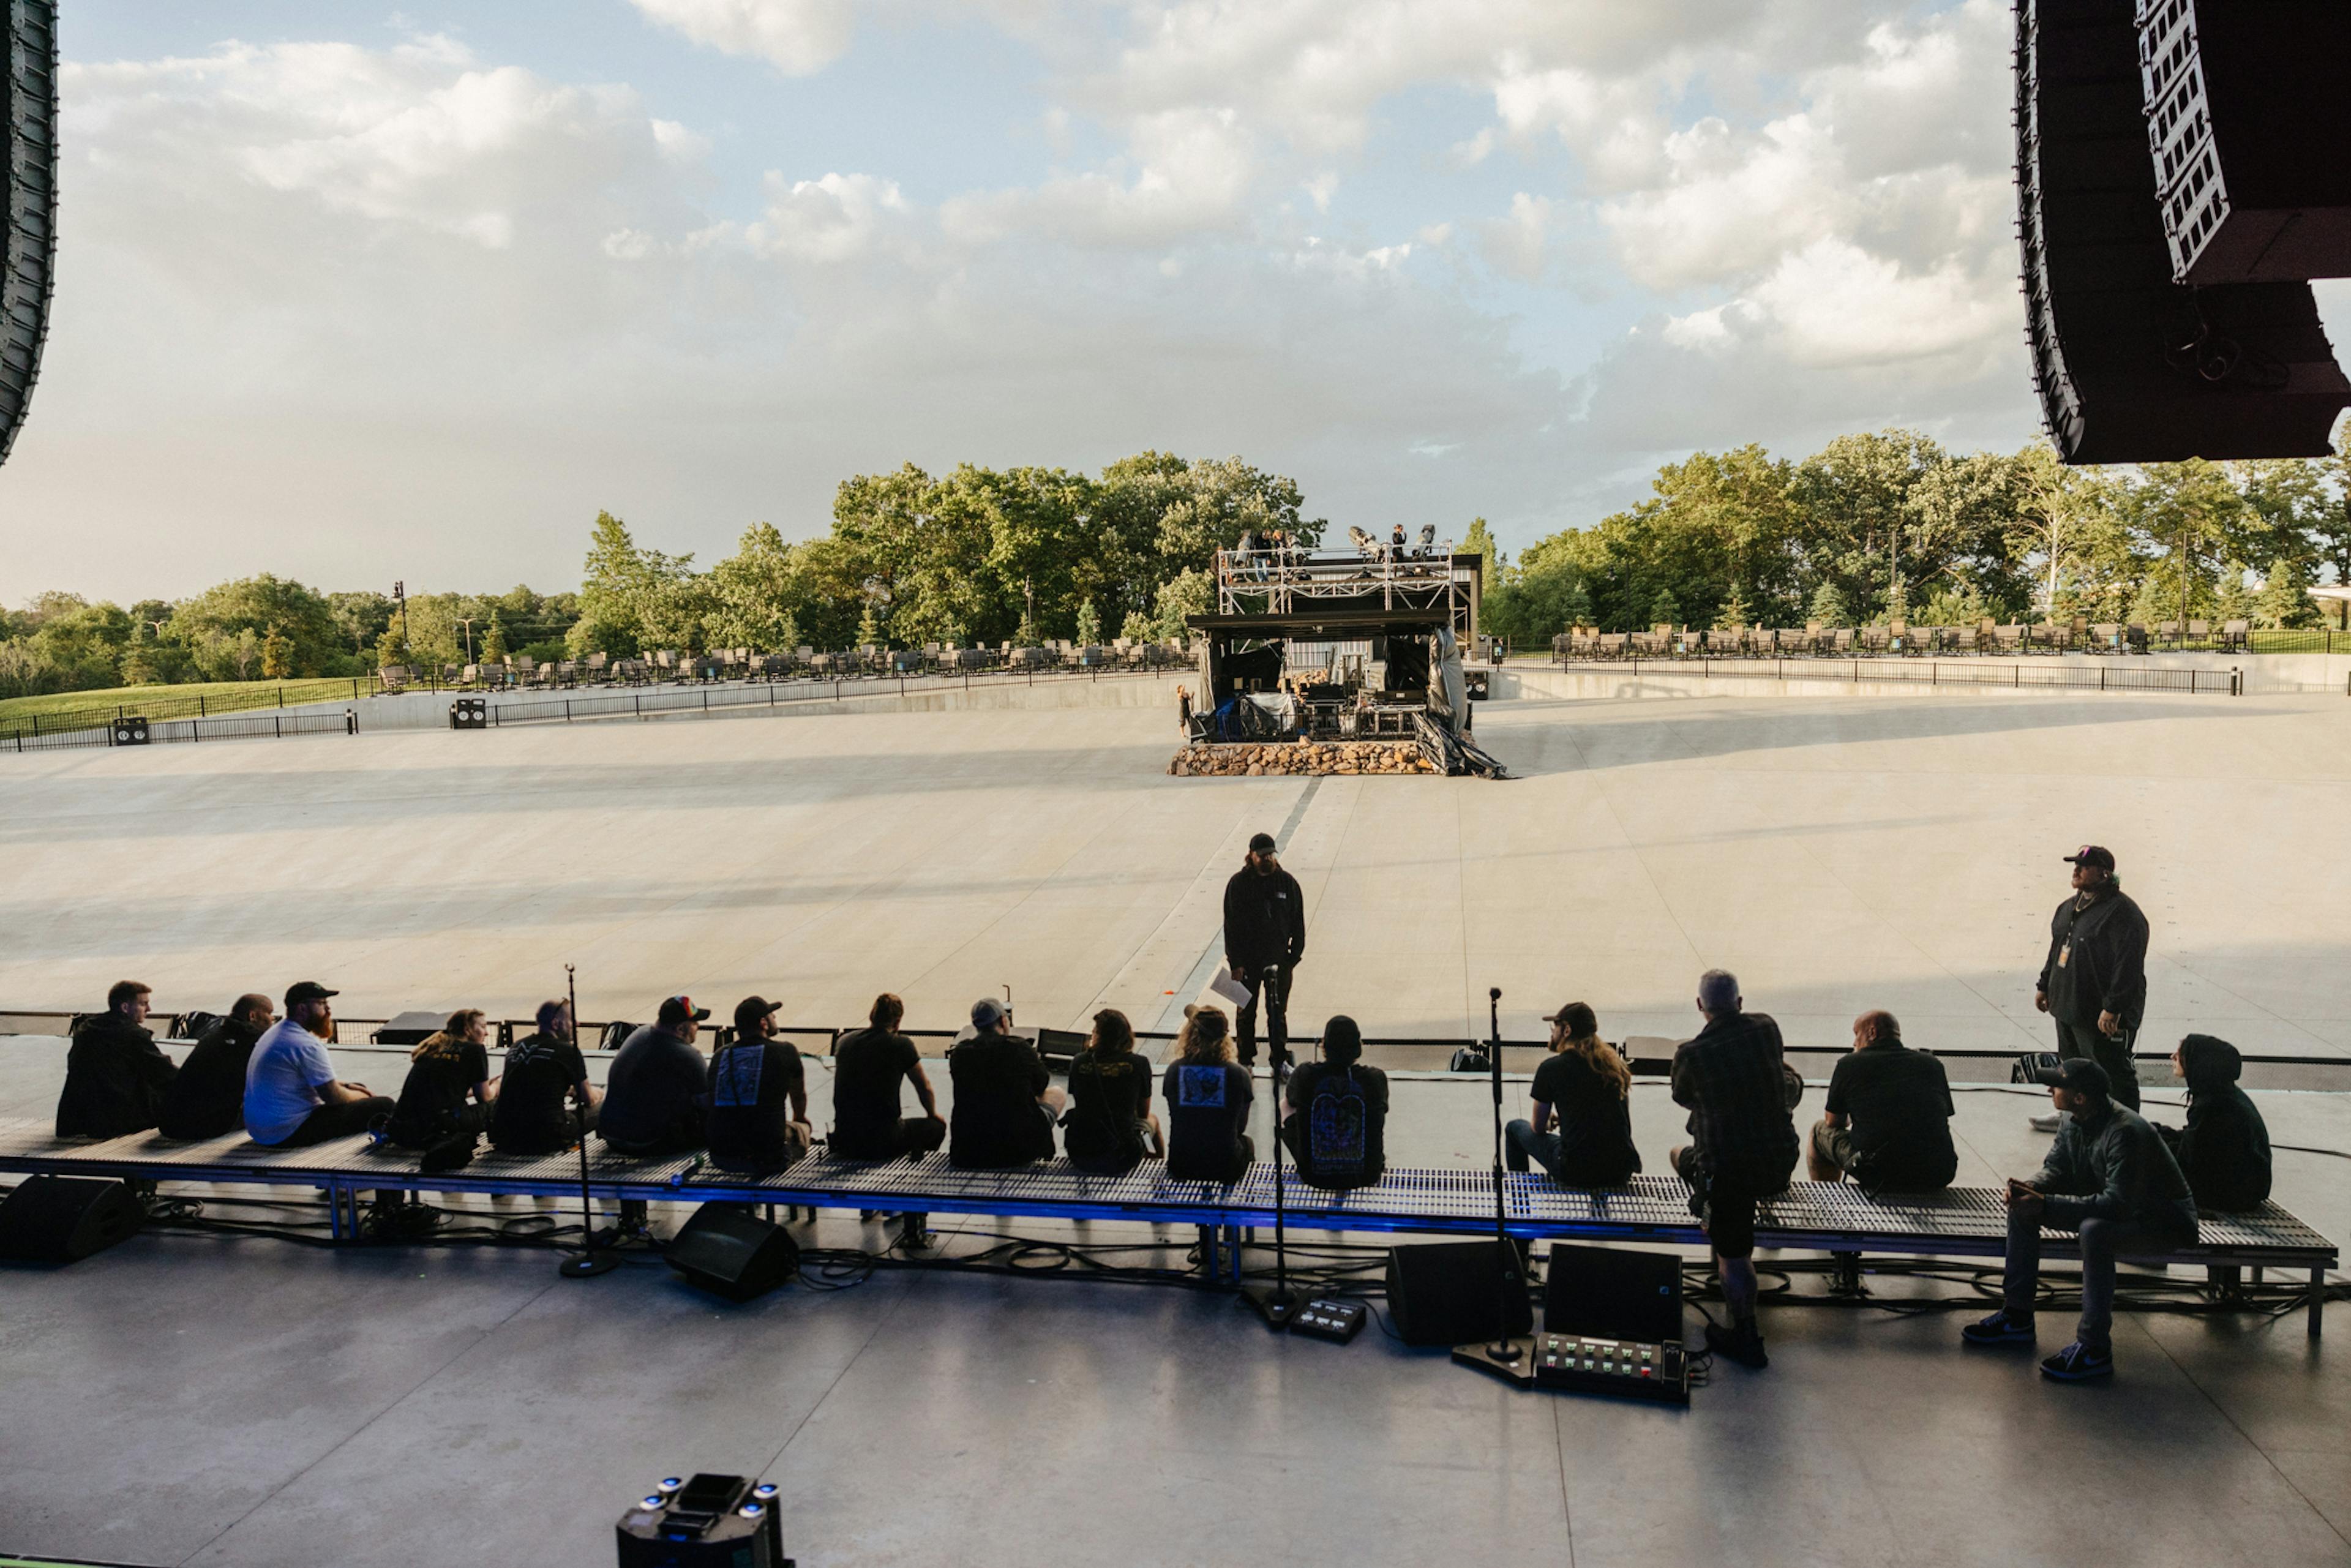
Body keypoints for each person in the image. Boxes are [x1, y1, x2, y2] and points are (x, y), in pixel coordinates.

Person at [1962, 1057, 2197, 1382]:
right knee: (2022, 1208)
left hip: (2163, 1222)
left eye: (2057, 1086)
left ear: (2080, 1097)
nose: (2049, 1089)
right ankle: (2016, 1316)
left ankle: (2094, 1348)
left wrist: (2046, 1205)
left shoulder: (2125, 1132)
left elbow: (2117, 1206)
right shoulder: (2074, 1118)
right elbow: (2058, 1166)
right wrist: (2032, 1187)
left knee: (2094, 1232)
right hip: (2122, 1207)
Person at [1668, 969, 1799, 1370]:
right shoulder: (1766, 1027)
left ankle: (1745, 1332)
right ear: (1740, 1002)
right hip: (1778, 1163)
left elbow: (1684, 1097)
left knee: (1735, 1253)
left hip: (1727, 1173)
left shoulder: (1691, 1053)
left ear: (1700, 1007)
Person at [2034, 844, 2150, 1113]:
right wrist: (2044, 985)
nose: (2076, 870)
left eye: (2084, 867)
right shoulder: (2069, 907)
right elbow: (2057, 948)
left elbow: (2128, 966)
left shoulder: (2123, 913)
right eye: (2075, 865)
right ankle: (2073, 1119)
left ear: (2104, 874)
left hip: (2100, 1015)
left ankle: (2125, 1123)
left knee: (2111, 1072)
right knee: (2072, 1069)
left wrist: (2113, 1008)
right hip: (2067, 1007)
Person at [1807, 1011, 1957, 1193]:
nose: (1854, 1043)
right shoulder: (1932, 1064)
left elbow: (1834, 1122)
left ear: (1872, 1033)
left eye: (1857, 1034)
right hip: (1938, 1171)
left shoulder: (1850, 1064)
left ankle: (1826, 1203)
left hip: (1879, 1172)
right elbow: (1943, 1113)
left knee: (1819, 1131)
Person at [1506, 1002, 1640, 1188]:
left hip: (1577, 1170)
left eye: (1555, 1027)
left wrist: (1547, 1122)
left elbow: (1537, 1128)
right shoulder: (1614, 1067)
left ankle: (1519, 1205)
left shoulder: (1551, 1068)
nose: (1552, 1033)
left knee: (1514, 1129)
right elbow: (1608, 1116)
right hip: (1621, 1170)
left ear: (1567, 1030)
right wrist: (1567, 1118)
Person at [244, 982, 392, 1147]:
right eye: (322, 1004)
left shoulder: (277, 1032)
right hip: (288, 1133)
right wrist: (364, 1097)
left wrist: (350, 1086)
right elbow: (333, 1098)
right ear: (302, 1009)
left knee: (355, 1087)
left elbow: (312, 1081)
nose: (328, 1011)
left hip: (263, 1130)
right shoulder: (305, 1045)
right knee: (383, 1105)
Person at [2154, 1034, 2271, 1212]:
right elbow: (2196, 1144)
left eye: (2180, 1054)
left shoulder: (2212, 1106)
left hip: (2232, 1196)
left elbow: (2187, 1160)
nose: (2173, 1057)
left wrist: (2153, 1141)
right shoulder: (2225, 1095)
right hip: (2246, 1188)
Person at [56, 980, 179, 1139]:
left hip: (77, 1117)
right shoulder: (132, 1034)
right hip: (116, 1118)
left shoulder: (86, 1028)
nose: (149, 1009)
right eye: (143, 1004)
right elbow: (163, 1072)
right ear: (125, 1007)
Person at [830, 993, 946, 1161]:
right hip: (883, 1141)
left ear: (872, 1016)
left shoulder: (844, 1041)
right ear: (898, 1022)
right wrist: (933, 1113)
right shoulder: (901, 1044)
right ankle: (912, 1163)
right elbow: (924, 1087)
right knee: (936, 1128)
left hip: (845, 1139)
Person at [1223, 831, 1305, 1068]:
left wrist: (1293, 957)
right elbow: (1231, 927)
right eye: (1262, 855)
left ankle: (1279, 1058)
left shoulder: (1287, 883)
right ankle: (1246, 1059)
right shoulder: (1238, 885)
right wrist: (1235, 963)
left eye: (1271, 854)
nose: (1268, 859)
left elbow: (1298, 922)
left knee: (1277, 1012)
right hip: (1247, 963)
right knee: (1245, 1013)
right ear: (1251, 856)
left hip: (1279, 961)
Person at [948, 997, 1062, 1168]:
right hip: (1018, 1152)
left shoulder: (960, 1054)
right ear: (1003, 1020)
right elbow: (1041, 1085)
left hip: (968, 1151)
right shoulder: (1019, 1048)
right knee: (1056, 1093)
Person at [706, 997, 813, 1175]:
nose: (775, 1019)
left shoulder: (720, 1055)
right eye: (772, 1015)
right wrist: (800, 1118)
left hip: (721, 1156)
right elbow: (798, 1095)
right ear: (763, 1023)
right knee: (801, 1128)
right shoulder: (785, 1051)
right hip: (768, 1158)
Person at [1280, 1014, 1387, 1189]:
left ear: (1325, 1046)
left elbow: (1291, 1102)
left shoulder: (1305, 1074)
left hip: (1313, 1175)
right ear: (1357, 1048)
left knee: (1285, 1104)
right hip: (1367, 1173)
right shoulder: (1375, 1078)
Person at [599, 995, 711, 1157]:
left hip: (611, 1134)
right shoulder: (688, 1056)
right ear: (680, 1029)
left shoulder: (639, 1034)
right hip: (647, 1142)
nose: (698, 1026)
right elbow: (707, 1105)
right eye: (694, 1023)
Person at [157, 992, 274, 1141]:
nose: (272, 1020)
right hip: (202, 1126)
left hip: (171, 1123)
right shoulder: (250, 1043)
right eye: (269, 1014)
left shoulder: (212, 1037)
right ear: (253, 1016)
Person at [490, 999, 599, 1155]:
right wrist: (598, 1093)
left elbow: (532, 1084)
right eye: (571, 1019)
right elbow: (588, 1098)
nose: (577, 1023)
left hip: (506, 1135)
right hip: (547, 1135)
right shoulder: (567, 1051)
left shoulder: (516, 1047)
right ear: (556, 1023)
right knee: (603, 1107)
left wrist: (566, 1090)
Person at [384, 1009, 500, 1150]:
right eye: (483, 1027)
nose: (486, 1033)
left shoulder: (433, 1046)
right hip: (438, 1127)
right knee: (496, 1104)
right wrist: (496, 1086)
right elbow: (484, 1098)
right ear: (467, 1029)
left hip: (403, 1129)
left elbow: (443, 1090)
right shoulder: (474, 1050)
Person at [1063, 1008, 1161, 1176]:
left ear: (1097, 1036)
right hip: (1122, 1157)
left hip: (1080, 1154)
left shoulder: (1079, 1062)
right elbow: (1143, 1114)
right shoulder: (1139, 1064)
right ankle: (1156, 1171)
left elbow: (1081, 1100)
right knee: (1152, 1120)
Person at [1163, 1005, 1254, 1182]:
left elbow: (1176, 1114)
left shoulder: (1174, 1071)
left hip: (1182, 1164)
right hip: (1225, 1166)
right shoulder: (1239, 1075)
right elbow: (1240, 1126)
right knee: (1247, 1143)